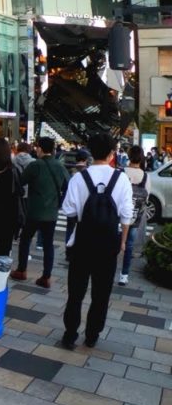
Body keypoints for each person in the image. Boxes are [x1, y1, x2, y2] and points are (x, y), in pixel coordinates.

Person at [60, 133, 134, 350]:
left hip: (82, 242)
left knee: (76, 292)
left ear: (91, 152)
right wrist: (122, 242)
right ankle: (92, 335)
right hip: (108, 243)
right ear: (112, 154)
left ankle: (70, 333)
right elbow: (126, 215)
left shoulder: (78, 178)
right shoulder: (121, 179)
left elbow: (68, 210)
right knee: (101, 294)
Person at [13, 137, 68, 288]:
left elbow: (21, 182)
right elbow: (67, 186)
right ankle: (46, 277)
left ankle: (22, 270)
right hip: (51, 213)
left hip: (34, 210)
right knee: (48, 244)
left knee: (25, 239)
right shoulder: (60, 166)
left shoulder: (35, 165)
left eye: (37, 148)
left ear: (40, 149)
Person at [120, 145, 150, 286]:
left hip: (118, 216)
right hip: (135, 217)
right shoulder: (145, 176)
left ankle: (106, 270)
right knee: (129, 245)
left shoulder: (121, 172)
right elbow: (147, 198)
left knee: (114, 242)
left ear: (129, 156)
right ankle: (124, 275)